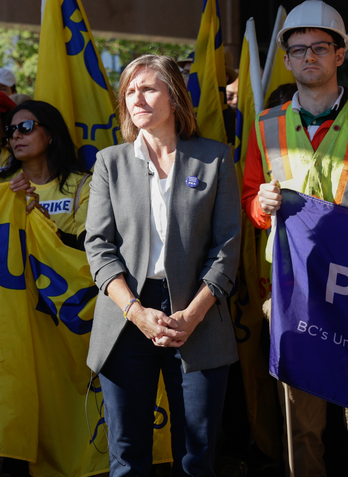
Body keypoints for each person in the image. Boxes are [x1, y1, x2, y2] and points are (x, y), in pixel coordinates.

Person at [86, 54, 240, 476]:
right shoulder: (109, 162)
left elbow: (227, 248)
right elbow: (98, 247)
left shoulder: (216, 158)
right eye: (130, 90)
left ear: (174, 96)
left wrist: (191, 315)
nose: (137, 97)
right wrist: (136, 312)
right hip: (127, 315)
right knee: (128, 457)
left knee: (195, 458)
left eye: (149, 88)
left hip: (198, 313)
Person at [241, 0, 348, 476]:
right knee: (302, 425)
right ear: (285, 60)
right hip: (294, 293)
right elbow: (248, 198)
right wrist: (259, 207)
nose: (309, 57)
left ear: (340, 55)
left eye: (320, 48)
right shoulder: (265, 125)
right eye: (299, 49)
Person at [0, 101, 90, 250]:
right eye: (11, 130)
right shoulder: (0, 186)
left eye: (26, 127)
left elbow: (91, 247)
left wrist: (49, 228)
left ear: (51, 134)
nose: (16, 135)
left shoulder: (84, 184)